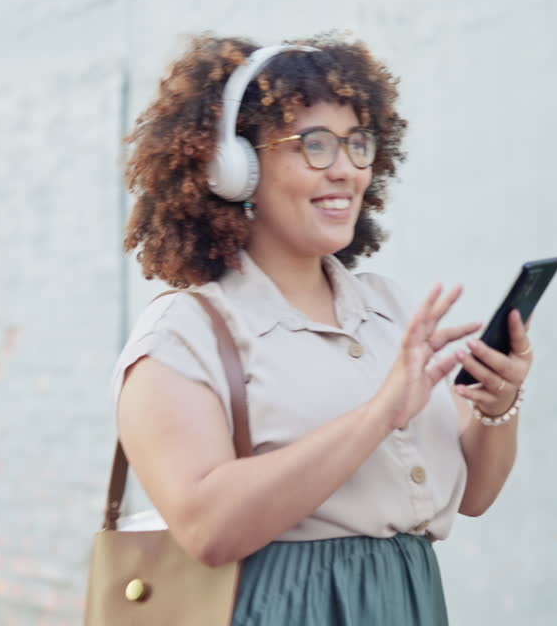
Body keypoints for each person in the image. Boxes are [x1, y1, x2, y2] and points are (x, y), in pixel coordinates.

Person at [110, 33, 535, 624]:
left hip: (408, 601)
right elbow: (206, 529)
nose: (346, 170)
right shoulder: (183, 336)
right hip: (279, 607)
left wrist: (499, 407)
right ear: (237, 168)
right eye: (314, 145)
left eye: (357, 143)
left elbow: (475, 496)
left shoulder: (388, 310)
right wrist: (380, 414)